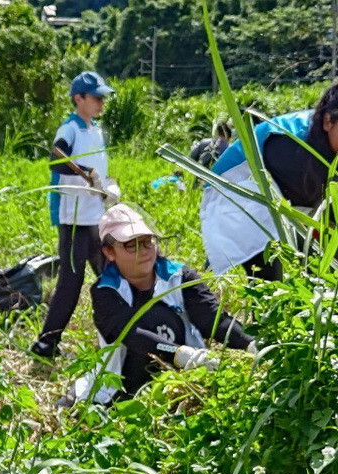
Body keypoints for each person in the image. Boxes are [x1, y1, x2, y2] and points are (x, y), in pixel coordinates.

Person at [76, 204, 256, 402]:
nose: (143, 251)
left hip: (187, 378)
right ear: (110, 252)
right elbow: (130, 334)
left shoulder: (181, 277)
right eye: (131, 245)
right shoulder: (106, 291)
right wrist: (180, 354)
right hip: (126, 383)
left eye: (147, 242)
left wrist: (250, 343)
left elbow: (211, 319)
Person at [200, 81, 338, 280]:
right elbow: (316, 208)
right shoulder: (292, 147)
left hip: (282, 197)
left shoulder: (325, 142)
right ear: (328, 121)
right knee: (270, 279)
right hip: (236, 198)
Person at [31, 71, 121, 360]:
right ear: (78, 98)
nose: (101, 102)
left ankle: (119, 335)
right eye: (95, 97)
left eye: (103, 97)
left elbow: (98, 169)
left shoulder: (95, 130)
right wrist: (88, 176)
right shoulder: (69, 128)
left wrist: (107, 185)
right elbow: (57, 157)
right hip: (73, 218)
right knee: (71, 282)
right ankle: (46, 343)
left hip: (95, 216)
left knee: (111, 275)